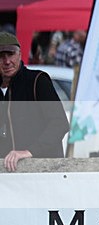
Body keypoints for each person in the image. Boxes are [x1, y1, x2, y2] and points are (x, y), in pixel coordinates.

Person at [0, 32, 69, 171]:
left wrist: (29, 152)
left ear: (19, 55)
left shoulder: (37, 80)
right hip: (8, 177)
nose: (7, 61)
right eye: (1, 56)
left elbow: (60, 123)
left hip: (42, 173)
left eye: (11, 54)